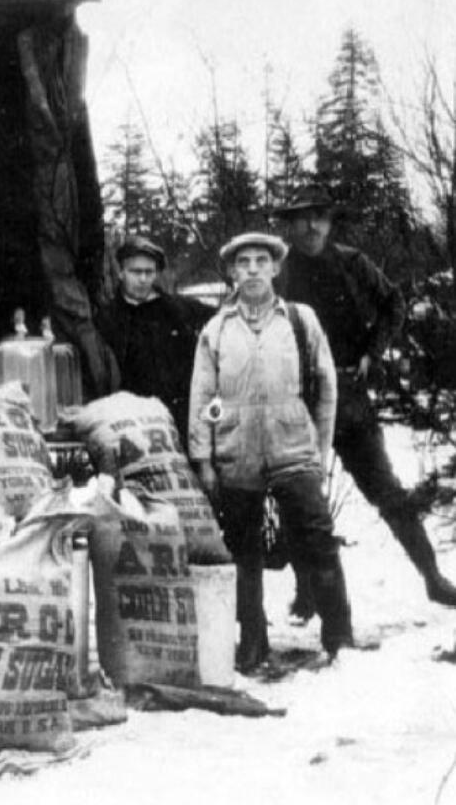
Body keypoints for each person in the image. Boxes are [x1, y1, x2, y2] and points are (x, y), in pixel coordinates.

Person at [275, 184, 456, 610]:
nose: (312, 226)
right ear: (291, 224)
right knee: (300, 497)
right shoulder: (279, 270)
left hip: (350, 394)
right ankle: (307, 593)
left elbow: (394, 303)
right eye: (302, 218)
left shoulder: (353, 263)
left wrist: (372, 354)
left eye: (320, 216)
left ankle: (432, 577)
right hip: (299, 399)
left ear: (330, 220)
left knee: (386, 490)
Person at [189, 231, 353, 671]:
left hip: (294, 449)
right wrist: (204, 459)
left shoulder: (300, 320)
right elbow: (203, 398)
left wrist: (320, 448)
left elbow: (327, 388)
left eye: (262, 261)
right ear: (231, 272)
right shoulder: (217, 330)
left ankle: (340, 638)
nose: (254, 270)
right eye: (244, 263)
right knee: (243, 551)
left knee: (318, 540)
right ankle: (253, 641)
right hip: (236, 452)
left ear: (277, 268)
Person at [95, 235, 212, 440]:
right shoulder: (107, 318)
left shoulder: (180, 310)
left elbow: (222, 321)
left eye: (149, 272)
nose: (143, 279)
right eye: (135, 272)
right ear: (121, 272)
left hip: (182, 418)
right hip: (133, 421)